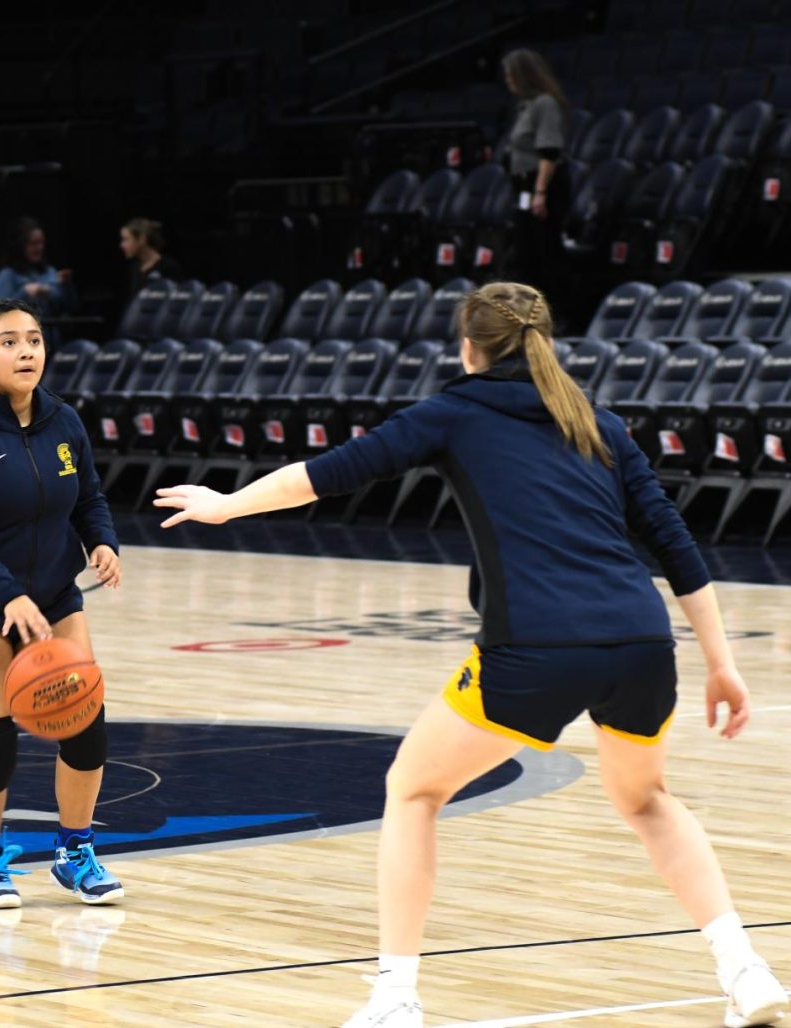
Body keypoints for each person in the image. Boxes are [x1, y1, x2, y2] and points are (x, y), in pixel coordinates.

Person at [154, 282, 789, 1028]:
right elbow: (675, 545)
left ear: (469, 348)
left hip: (535, 647)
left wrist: (226, 503)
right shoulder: (599, 422)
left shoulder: (454, 412)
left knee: (413, 790)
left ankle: (395, 998)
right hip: (641, 642)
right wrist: (721, 662)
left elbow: (328, 475)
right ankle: (745, 971)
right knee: (647, 800)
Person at [0, 298, 125, 910]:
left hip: (54, 593)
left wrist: (103, 543)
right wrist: (6, 594)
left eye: (34, 339)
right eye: (9, 342)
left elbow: (88, 496)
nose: (26, 351)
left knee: (87, 728)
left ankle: (75, 850)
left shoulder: (64, 420)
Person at [501, 49, 572, 322]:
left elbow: (550, 152)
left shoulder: (546, 104)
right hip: (523, 188)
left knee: (547, 252)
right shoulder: (525, 107)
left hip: (543, 186)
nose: (508, 81)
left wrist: (540, 192)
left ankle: (561, 316)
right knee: (525, 253)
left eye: (510, 75)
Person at [0, 217, 77, 322]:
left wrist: (66, 285)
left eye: (42, 243)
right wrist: (25, 292)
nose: (40, 248)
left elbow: (69, 307)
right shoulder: (8, 275)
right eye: (34, 243)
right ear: (20, 246)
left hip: (53, 335)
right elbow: (1, 313)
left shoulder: (49, 271)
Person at [119, 217, 183, 299]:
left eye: (126, 239)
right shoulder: (134, 268)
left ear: (142, 239)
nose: (122, 245)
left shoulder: (168, 267)